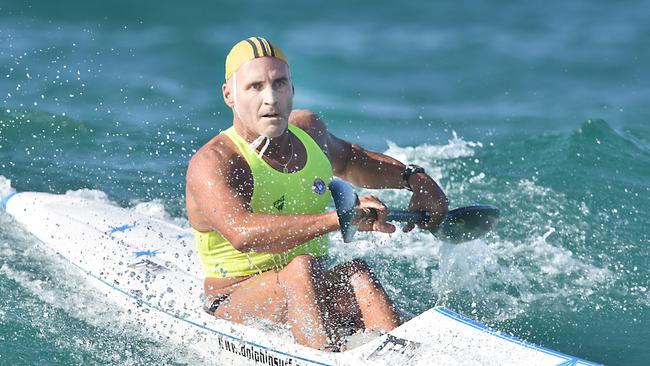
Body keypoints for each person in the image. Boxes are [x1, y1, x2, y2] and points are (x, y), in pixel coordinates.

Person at [185, 36, 448, 351]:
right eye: (254, 87)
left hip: (311, 294)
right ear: (229, 95)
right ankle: (324, 355)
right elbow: (243, 234)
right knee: (301, 267)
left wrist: (414, 178)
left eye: (279, 84)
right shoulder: (215, 162)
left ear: (292, 90)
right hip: (235, 302)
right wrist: (339, 219)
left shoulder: (309, 131)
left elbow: (352, 160)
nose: (270, 98)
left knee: (359, 274)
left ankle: (402, 354)